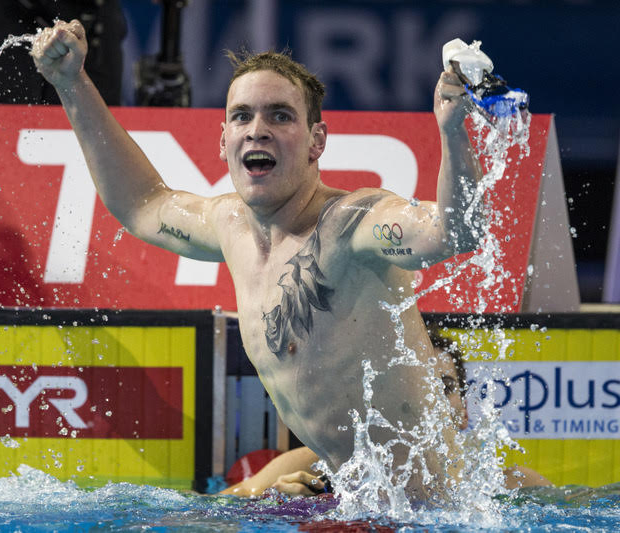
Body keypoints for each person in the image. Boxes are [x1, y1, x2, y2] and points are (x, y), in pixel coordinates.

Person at [31, 20, 485, 501]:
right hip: (356, 503)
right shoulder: (229, 226)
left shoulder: (352, 224)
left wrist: (453, 132)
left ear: (317, 141)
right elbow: (141, 205)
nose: (258, 130)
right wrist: (72, 84)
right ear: (223, 140)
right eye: (242, 116)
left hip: (432, 515)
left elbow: (455, 232)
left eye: (280, 116)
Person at [221, 329, 552, 497]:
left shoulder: (513, 486)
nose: (428, 401)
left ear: (464, 412)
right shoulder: (315, 464)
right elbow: (209, 512)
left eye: (445, 386)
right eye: (413, 387)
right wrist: (272, 504)